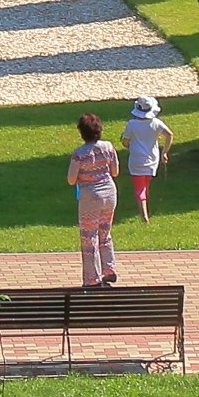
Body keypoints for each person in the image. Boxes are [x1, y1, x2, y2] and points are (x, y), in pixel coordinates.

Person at [67, 112, 120, 286]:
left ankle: (92, 278)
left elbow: (71, 179)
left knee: (89, 238)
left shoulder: (79, 154)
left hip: (90, 197)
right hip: (110, 193)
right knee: (105, 233)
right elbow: (115, 172)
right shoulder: (108, 147)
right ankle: (109, 268)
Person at [123, 96, 171, 221]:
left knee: (139, 187)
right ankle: (145, 207)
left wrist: (129, 143)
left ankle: (144, 216)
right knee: (145, 184)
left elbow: (125, 142)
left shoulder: (132, 124)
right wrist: (164, 152)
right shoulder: (156, 123)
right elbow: (169, 135)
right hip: (152, 159)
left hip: (136, 160)